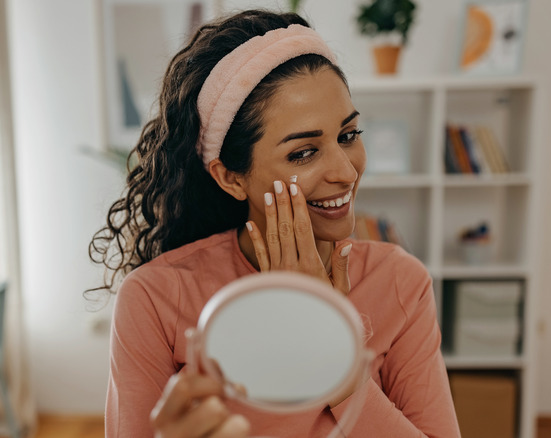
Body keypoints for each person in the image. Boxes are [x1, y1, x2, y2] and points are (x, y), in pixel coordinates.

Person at [89, 9, 461, 438]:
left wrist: (336, 363)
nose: (346, 171)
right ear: (230, 177)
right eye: (303, 152)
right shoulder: (154, 298)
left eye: (348, 136)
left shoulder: (400, 282)